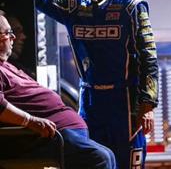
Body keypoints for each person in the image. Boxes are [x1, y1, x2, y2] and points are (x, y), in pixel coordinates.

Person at [34, 0, 158, 169]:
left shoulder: (132, 7)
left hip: (124, 100)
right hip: (90, 99)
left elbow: (148, 57)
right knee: (95, 162)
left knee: (128, 160)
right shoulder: (73, 5)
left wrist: (147, 104)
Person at [0, 12, 116, 169]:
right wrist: (31, 120)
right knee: (100, 158)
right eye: (8, 33)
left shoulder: (7, 66)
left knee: (108, 154)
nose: (13, 37)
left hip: (62, 133)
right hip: (43, 137)